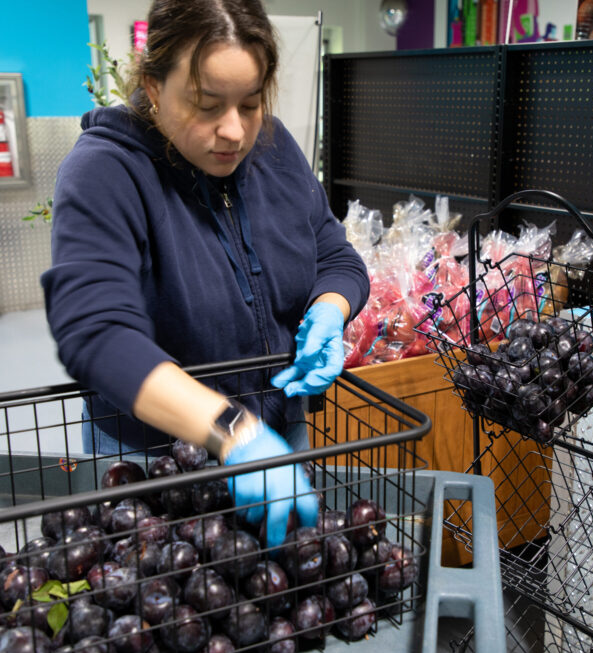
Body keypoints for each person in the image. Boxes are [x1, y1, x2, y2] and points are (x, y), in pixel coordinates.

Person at [41, 0, 369, 547]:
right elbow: (96, 333)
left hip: (276, 438)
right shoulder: (104, 172)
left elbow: (336, 256)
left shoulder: (275, 151)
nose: (234, 131)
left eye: (251, 103)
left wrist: (328, 311)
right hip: (154, 461)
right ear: (153, 86)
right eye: (207, 105)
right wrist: (231, 430)